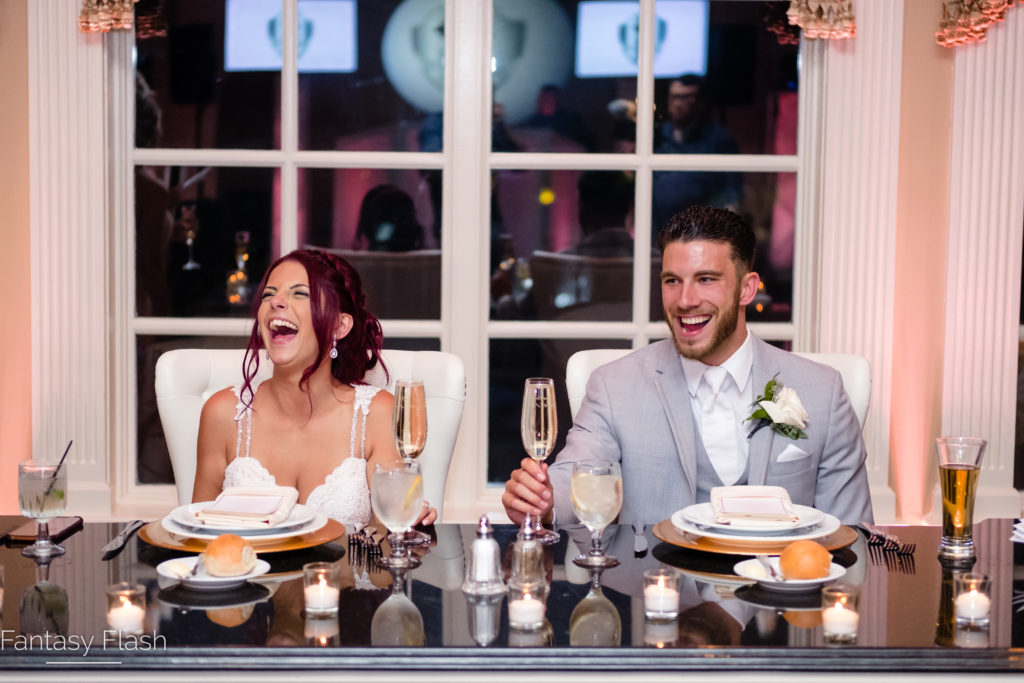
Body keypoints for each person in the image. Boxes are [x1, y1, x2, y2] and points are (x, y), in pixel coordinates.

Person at [502, 206, 873, 528]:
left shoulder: (823, 391)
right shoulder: (613, 386)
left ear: (747, 289)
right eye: (672, 281)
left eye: (706, 279)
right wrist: (545, 501)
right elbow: (577, 476)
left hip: (778, 603)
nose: (685, 300)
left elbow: (852, 533)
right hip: (656, 597)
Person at [194, 248, 437, 528]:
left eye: (299, 293)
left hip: (348, 573)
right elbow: (196, 534)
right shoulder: (223, 413)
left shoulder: (377, 414)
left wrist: (410, 519)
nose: (276, 302)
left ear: (339, 325)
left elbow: (388, 542)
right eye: (268, 294)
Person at [652, 75, 742, 230]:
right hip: (656, 230)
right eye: (674, 97)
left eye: (685, 97)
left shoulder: (719, 140)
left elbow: (731, 193)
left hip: (699, 233)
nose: (677, 103)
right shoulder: (657, 135)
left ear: (700, 102)